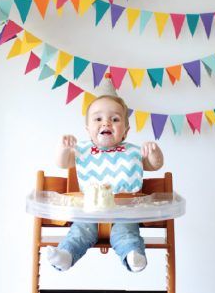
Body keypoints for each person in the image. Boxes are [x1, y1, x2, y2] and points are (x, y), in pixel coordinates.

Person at [46, 84, 163, 273]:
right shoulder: (83, 151)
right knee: (80, 231)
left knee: (125, 232)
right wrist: (63, 148)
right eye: (98, 118)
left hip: (125, 210)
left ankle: (133, 255)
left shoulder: (132, 152)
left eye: (115, 119)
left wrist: (153, 153)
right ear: (88, 129)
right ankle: (66, 255)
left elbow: (154, 165)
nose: (106, 123)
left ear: (126, 130)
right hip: (90, 211)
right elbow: (62, 163)